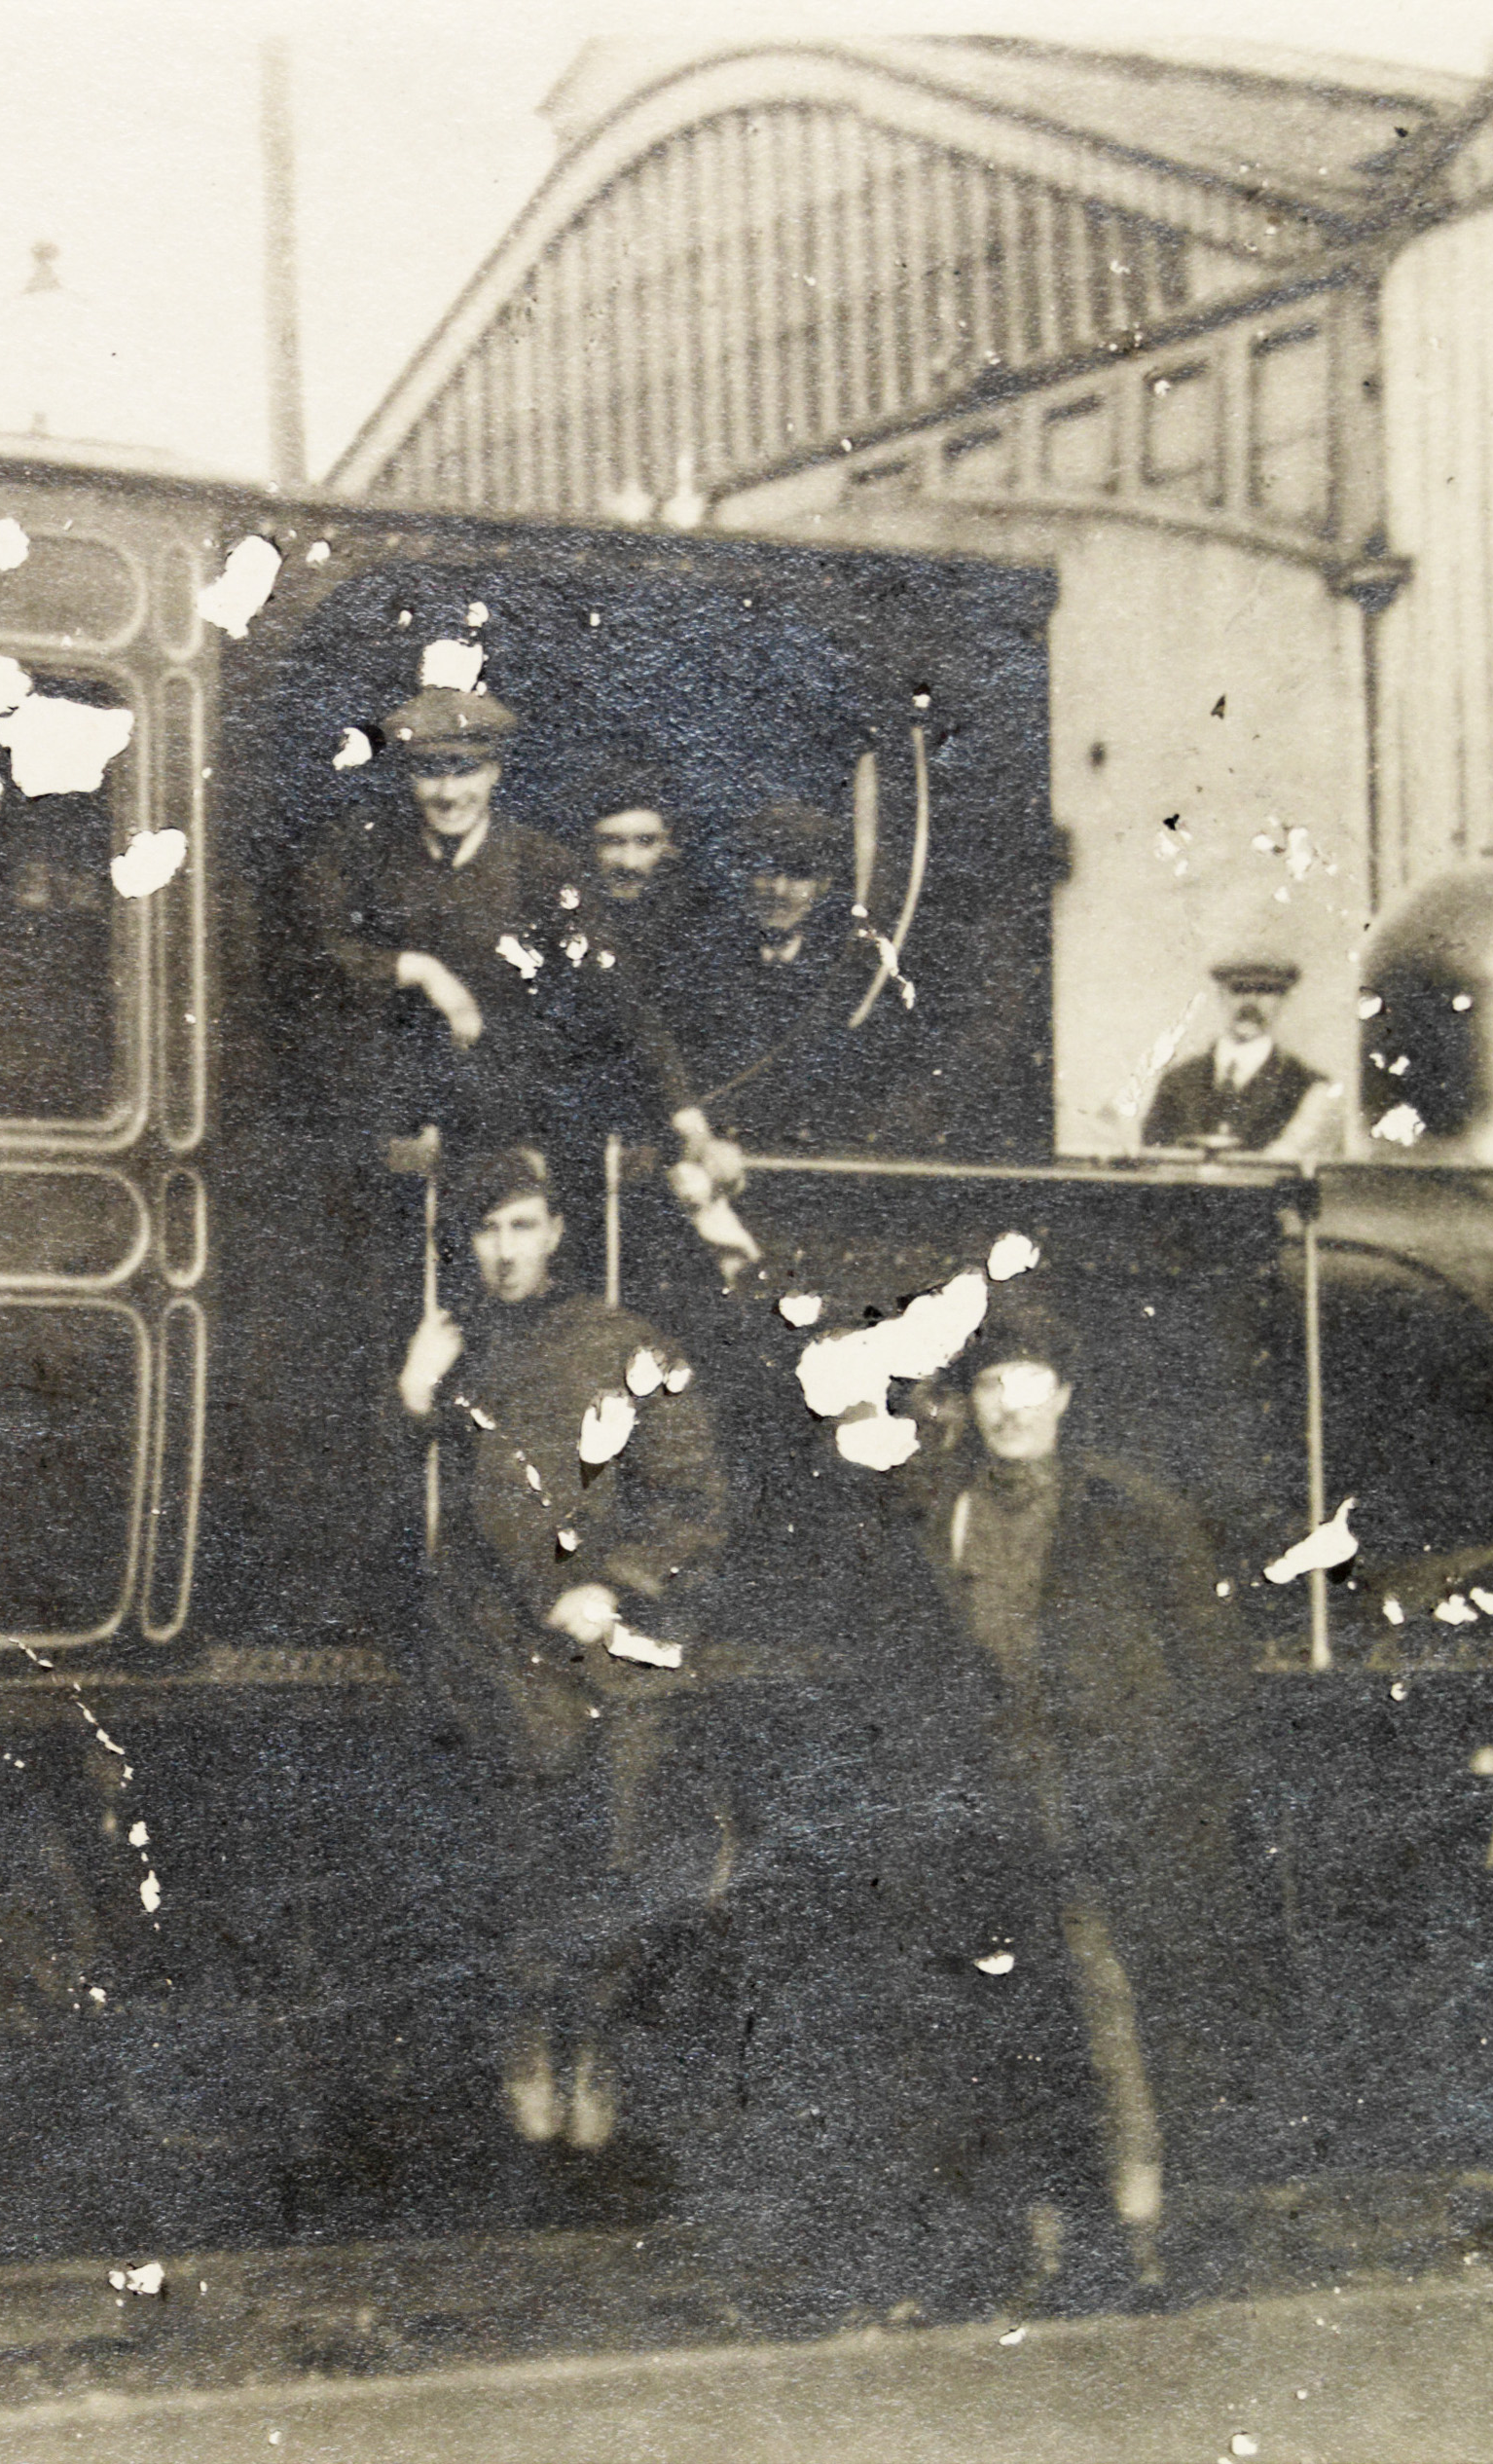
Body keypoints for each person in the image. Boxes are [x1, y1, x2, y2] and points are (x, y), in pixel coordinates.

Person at [901, 1296, 1262, 2300]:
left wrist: (1168, 1786)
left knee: (1112, 2012)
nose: (1009, 1403)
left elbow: (1211, 1670)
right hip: (996, 1805)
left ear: (1061, 1393)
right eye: (988, 1383)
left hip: (1110, 1804)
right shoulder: (947, 1515)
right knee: (1008, 2020)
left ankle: (1141, 2236)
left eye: (1026, 1381)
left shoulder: (1130, 1511)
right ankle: (1038, 2248)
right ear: (969, 1402)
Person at [394, 1146, 730, 2157]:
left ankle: (597, 2051)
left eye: (523, 1225)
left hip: (598, 1658)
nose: (505, 1249)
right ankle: (527, 2046)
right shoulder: (445, 1349)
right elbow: (396, 1512)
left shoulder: (618, 1343)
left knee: (609, 1865)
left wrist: (612, 1582)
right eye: (487, 1229)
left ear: (557, 1232)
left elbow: (695, 1500)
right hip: (488, 1657)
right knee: (514, 1875)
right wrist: (411, 1400)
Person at [300, 687, 596, 1157]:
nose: (448, 793)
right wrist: (416, 969)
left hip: (510, 1117)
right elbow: (314, 951)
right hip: (388, 1114)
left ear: (495, 771)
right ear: (406, 776)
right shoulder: (364, 850)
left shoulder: (543, 863)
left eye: (466, 770)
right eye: (428, 772)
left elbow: (586, 992)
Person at [676, 796, 890, 1156]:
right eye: (766, 872)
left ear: (823, 884)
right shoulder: (700, 965)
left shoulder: (850, 975)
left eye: (797, 875)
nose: (778, 890)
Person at [1143, 951, 1340, 1157]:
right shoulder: (1178, 1082)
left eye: (1265, 991)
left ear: (1284, 999)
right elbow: (1151, 1159)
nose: (1251, 1002)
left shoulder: (1307, 1086)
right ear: (1221, 995)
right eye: (1239, 989)